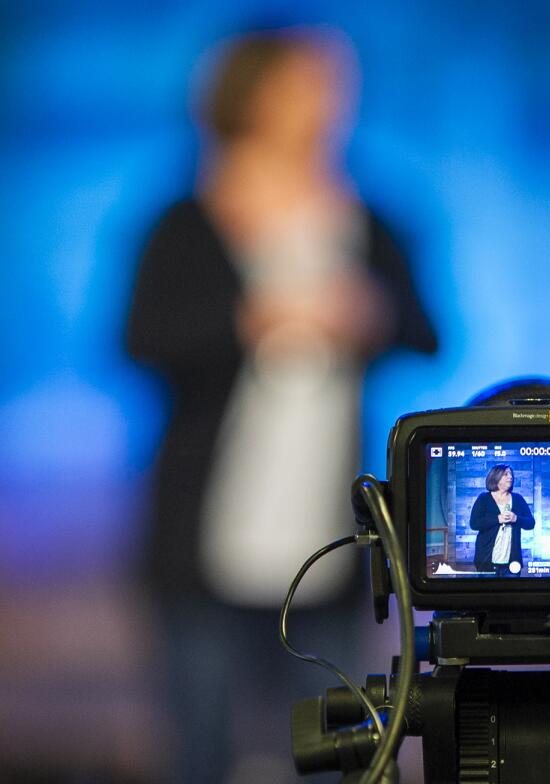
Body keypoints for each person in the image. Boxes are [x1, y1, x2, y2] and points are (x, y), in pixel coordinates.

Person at [125, 28, 438, 783]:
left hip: (324, 536)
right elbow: (141, 338)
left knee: (331, 747)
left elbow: (427, 330)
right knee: (201, 741)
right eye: (310, 84)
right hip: (203, 534)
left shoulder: (366, 217)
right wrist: (249, 320)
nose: (331, 103)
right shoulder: (184, 221)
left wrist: (368, 315)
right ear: (255, 95)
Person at [470, 464, 536, 575]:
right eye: (506, 474)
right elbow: (474, 523)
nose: (510, 477)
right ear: (496, 477)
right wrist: (497, 519)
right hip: (486, 561)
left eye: (511, 474)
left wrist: (516, 519)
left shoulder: (518, 499)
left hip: (512, 563)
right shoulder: (484, 499)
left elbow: (531, 523)